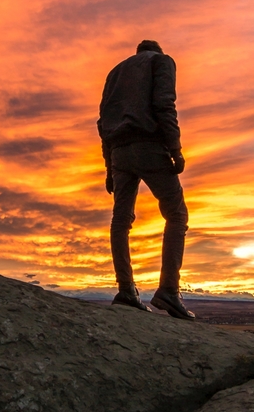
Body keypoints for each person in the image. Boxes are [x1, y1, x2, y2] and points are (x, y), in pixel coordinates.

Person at [97, 40, 195, 320]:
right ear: (157, 50)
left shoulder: (114, 72)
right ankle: (168, 291)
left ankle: (126, 289)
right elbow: (165, 104)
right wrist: (175, 149)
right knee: (176, 214)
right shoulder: (161, 61)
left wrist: (108, 167)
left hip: (118, 152)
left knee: (121, 219)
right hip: (149, 145)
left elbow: (102, 121)